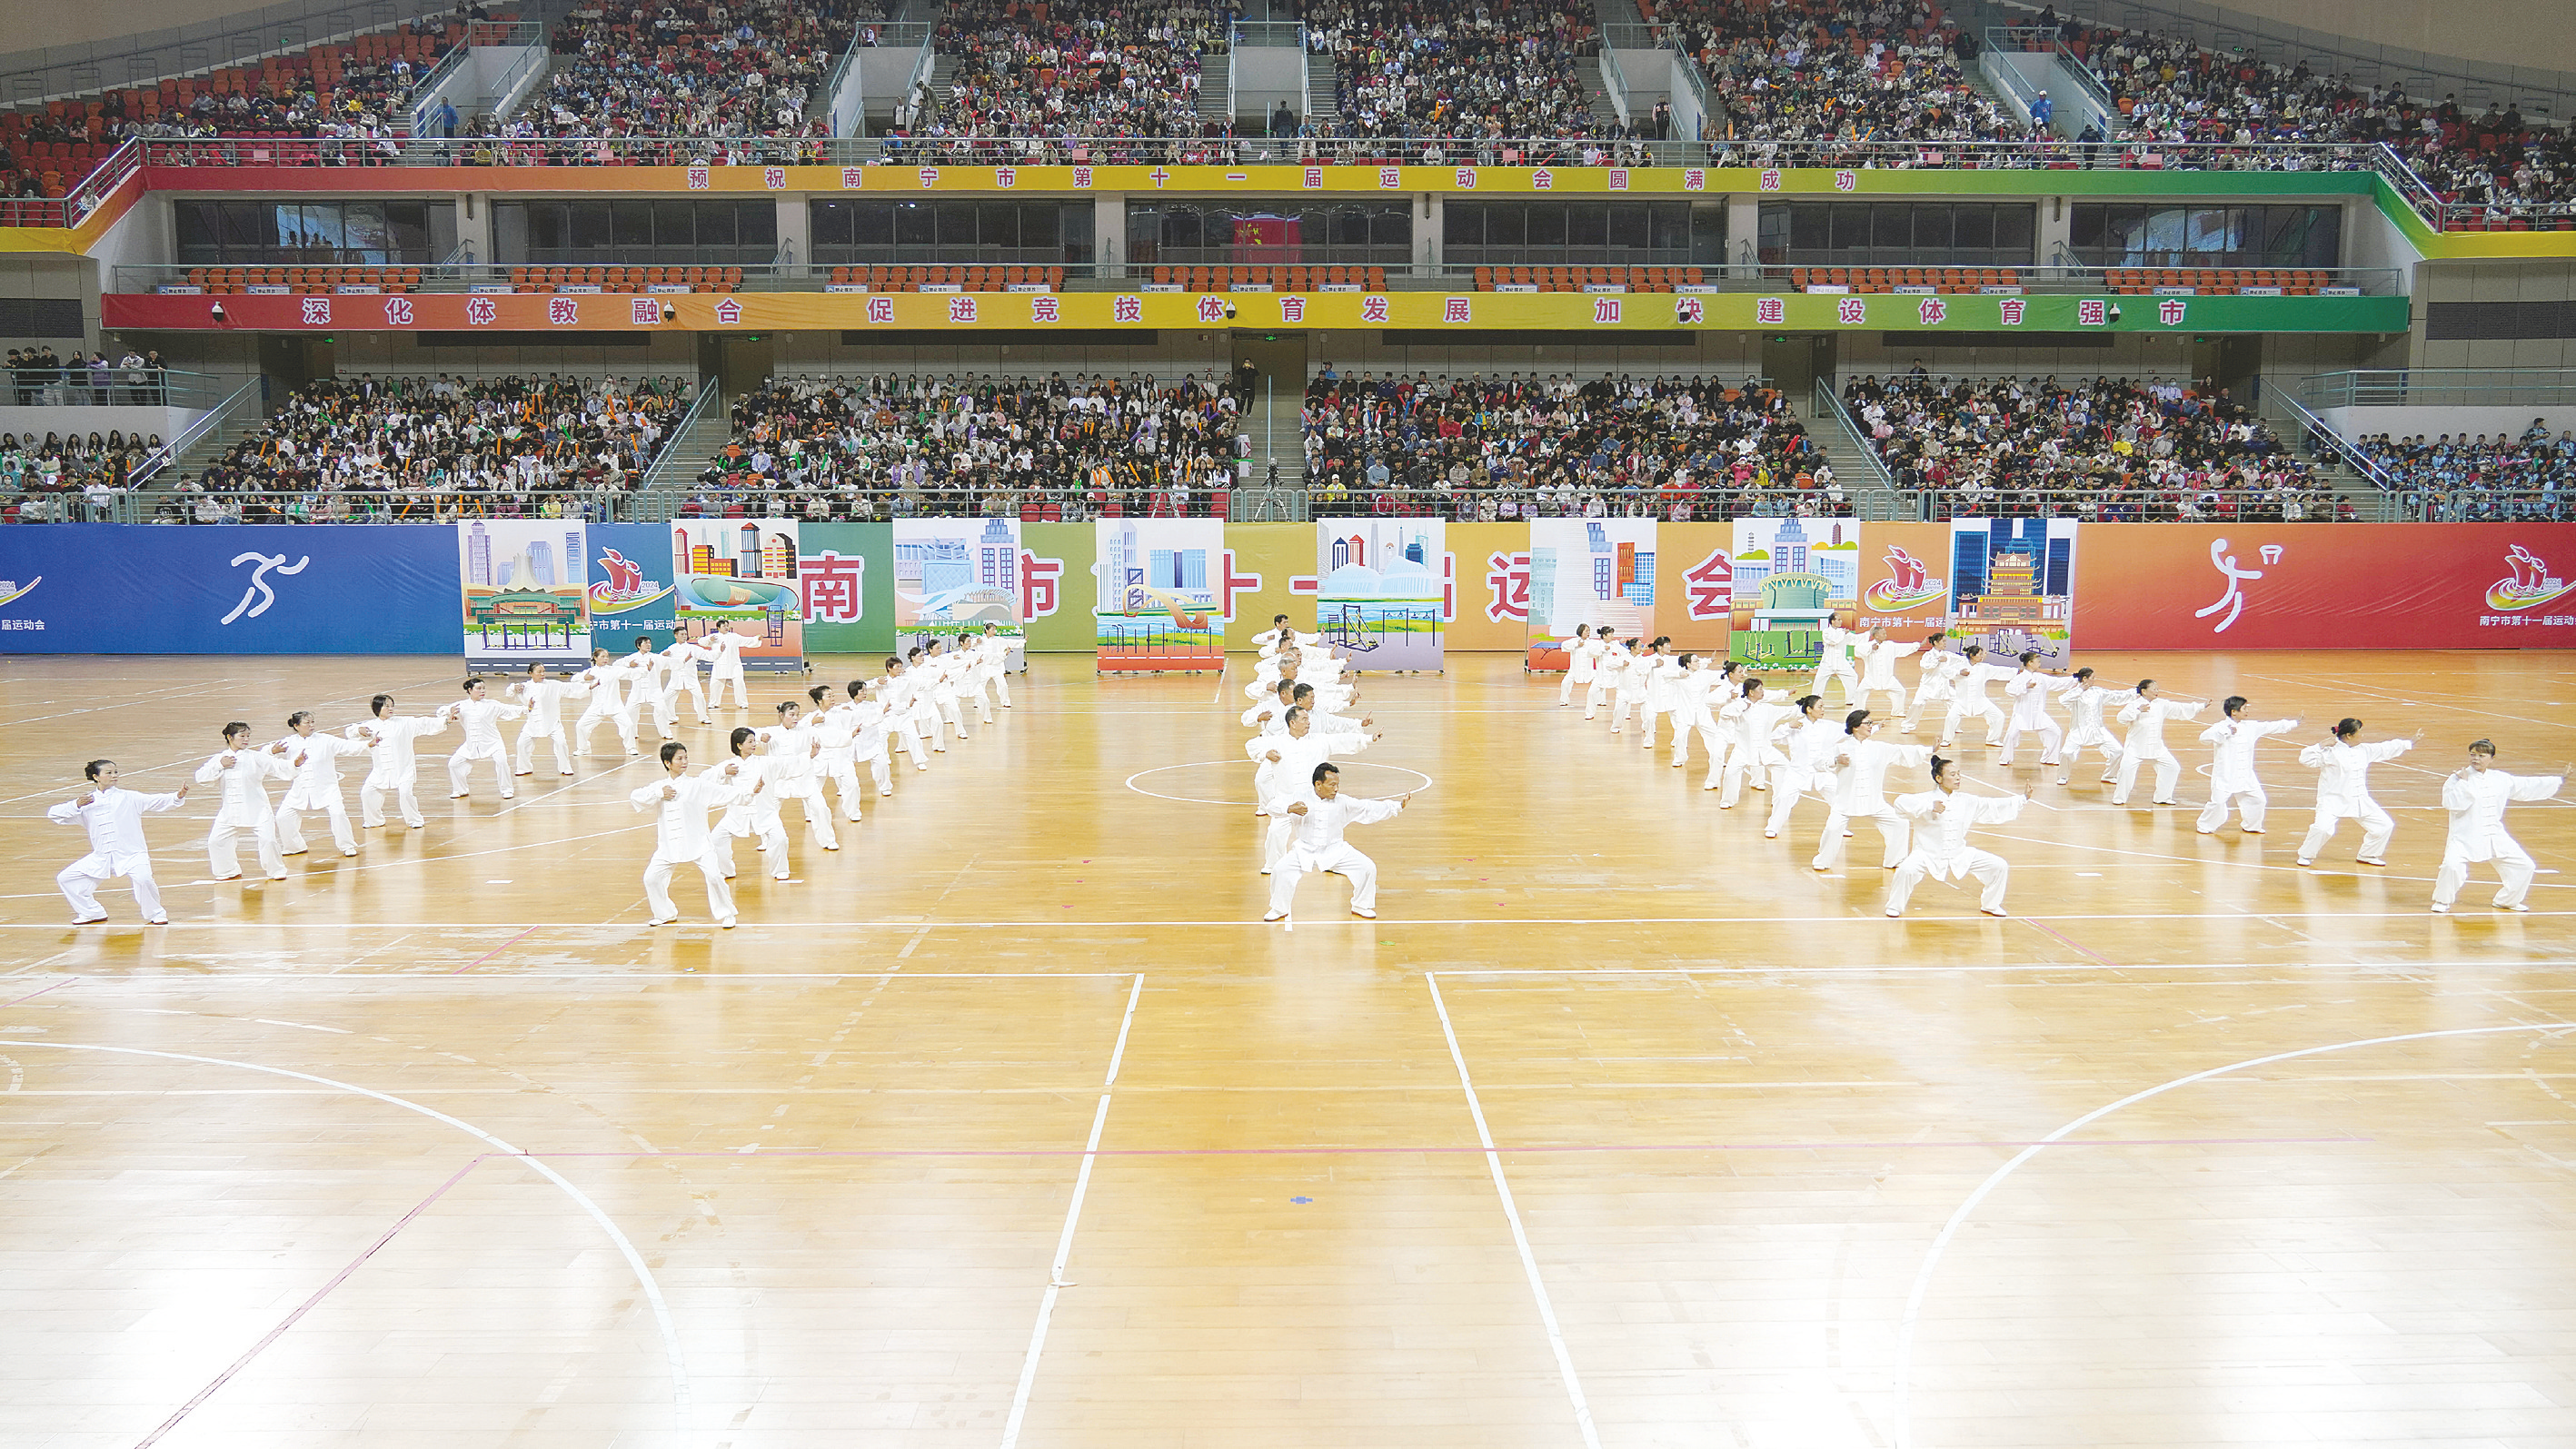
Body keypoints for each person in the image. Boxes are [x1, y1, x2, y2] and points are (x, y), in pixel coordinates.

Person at [1262, 761, 1411, 925]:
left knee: (1367, 868)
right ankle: (1278, 908)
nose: (1336, 789)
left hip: (1336, 850)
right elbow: (1272, 806)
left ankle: (1361, 905)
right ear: (1318, 784)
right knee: (1280, 870)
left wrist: (1398, 806)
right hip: (1303, 850)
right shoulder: (1299, 798)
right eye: (1332, 785)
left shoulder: (1343, 802)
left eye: (1338, 785)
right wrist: (1289, 809)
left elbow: (1367, 808)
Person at [629, 742, 753, 928]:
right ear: (667, 763)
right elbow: (636, 797)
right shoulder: (660, 787)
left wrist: (750, 792)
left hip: (699, 843)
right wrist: (658, 793)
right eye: (679, 758)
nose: (685, 761)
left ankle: (727, 914)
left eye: (686, 757)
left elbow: (725, 792)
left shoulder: (697, 785)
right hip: (669, 845)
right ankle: (665, 913)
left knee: (714, 876)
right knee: (651, 878)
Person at [2431, 740, 2564, 913]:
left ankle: (2507, 901)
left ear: (2492, 758)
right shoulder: (2457, 778)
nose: (2476, 759)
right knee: (2451, 866)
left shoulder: (2501, 778)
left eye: (2481, 755)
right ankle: (2442, 901)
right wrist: (2463, 783)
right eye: (2473, 754)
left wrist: (2558, 780)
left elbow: (2525, 786)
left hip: (2494, 834)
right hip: (2465, 835)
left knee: (2525, 865)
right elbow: (2451, 803)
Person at [1886, 755, 2028, 918]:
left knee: (1999, 866)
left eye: (1958, 773)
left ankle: (1991, 904)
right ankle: (1895, 906)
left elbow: (1992, 805)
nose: (1958, 777)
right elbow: (1900, 802)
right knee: (1906, 870)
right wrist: (1928, 806)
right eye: (1952, 774)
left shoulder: (1967, 800)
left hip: (1959, 854)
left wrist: (2022, 799)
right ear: (1939, 778)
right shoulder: (1925, 798)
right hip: (1926, 854)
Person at [51, 759, 187, 925]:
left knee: (144, 879)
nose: (114, 775)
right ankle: (92, 912)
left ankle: (155, 913)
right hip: (102, 857)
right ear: (96, 777)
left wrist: (177, 796)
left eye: (115, 772)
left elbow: (154, 800)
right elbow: (54, 814)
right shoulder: (86, 803)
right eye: (108, 773)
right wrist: (75, 805)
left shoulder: (129, 797)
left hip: (132, 854)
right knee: (66, 878)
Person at [1249, 707, 1381, 872]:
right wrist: (1264, 753)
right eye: (1304, 719)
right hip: (1286, 799)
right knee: (1276, 831)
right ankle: (1272, 865)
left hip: (1313, 798)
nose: (1308, 722)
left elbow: (1343, 740)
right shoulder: (1277, 742)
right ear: (1292, 723)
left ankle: (1332, 862)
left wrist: (1369, 738)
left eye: (1308, 719)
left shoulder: (1319, 740)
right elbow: (1251, 745)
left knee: (1328, 830)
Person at [1814, 710, 1934, 872]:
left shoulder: (1878, 748)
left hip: (1874, 802)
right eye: (1868, 723)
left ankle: (1895, 860)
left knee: (1900, 823)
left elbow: (1901, 751)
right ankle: (1822, 861)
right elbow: (1818, 762)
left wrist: (1929, 749)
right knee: (1833, 829)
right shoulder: (1841, 748)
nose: (1871, 726)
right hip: (1845, 802)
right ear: (1856, 727)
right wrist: (1835, 760)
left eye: (1871, 723)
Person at [2296, 719, 2419, 868]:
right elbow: (2306, 759)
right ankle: (2306, 855)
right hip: (2332, 800)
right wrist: (2320, 745)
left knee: (2384, 825)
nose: (2362, 736)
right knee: (2322, 828)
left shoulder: (2364, 750)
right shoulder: (2331, 752)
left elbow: (2384, 748)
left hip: (2359, 799)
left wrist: (2408, 743)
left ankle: (2367, 854)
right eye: (2360, 732)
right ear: (2349, 735)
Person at [194, 721, 293, 881]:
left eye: (248, 736)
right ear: (230, 737)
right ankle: (228, 871)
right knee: (216, 841)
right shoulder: (219, 758)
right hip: (229, 811)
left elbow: (278, 766)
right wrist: (220, 765)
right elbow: (201, 778)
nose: (246, 739)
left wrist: (295, 764)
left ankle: (276, 870)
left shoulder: (255, 757)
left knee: (268, 840)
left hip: (258, 809)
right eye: (242, 736)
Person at [2195, 696, 2301, 835]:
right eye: (2244, 708)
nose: (2247, 711)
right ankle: (2205, 825)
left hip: (2246, 774)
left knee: (2258, 800)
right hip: (2225, 774)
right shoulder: (2220, 726)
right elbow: (2204, 738)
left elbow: (2271, 726)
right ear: (2234, 711)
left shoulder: (2251, 727)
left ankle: (2252, 825)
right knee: (2218, 803)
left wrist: (2294, 723)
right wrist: (2225, 732)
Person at [274, 710, 367, 858]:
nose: (311, 725)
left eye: (312, 722)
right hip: (300, 789)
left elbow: (348, 747)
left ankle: (347, 845)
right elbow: (265, 756)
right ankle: (294, 846)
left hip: (327, 788)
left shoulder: (325, 740)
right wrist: (272, 750)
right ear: (297, 726)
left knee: (338, 813)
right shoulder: (288, 743)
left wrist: (369, 744)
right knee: (283, 817)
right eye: (307, 723)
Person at [349, 693, 445, 829]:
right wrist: (359, 730)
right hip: (380, 770)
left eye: (392, 706)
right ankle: (374, 820)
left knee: (405, 794)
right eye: (386, 706)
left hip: (403, 769)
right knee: (367, 792)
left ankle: (414, 820)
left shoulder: (404, 723)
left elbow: (424, 723)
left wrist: (445, 721)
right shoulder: (370, 726)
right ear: (378, 708)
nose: (390, 708)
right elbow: (350, 732)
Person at [714, 726, 793, 882]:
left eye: (754, 741)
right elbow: (708, 780)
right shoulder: (729, 765)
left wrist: (808, 757)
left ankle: (780, 870)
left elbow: (786, 764)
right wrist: (723, 772)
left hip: (764, 813)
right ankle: (726, 870)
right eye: (750, 741)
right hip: (736, 815)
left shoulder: (764, 762)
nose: (754, 744)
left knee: (780, 839)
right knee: (716, 838)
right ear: (739, 745)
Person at [2112, 680, 2206, 807]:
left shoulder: (2162, 704)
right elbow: (2121, 718)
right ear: (2144, 691)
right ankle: (2120, 797)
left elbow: (2179, 708)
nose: (2157, 691)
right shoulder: (2134, 704)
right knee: (2126, 770)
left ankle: (2163, 797)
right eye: (2154, 688)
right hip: (2135, 747)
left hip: (2157, 747)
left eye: (2157, 689)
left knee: (2172, 767)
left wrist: (2201, 706)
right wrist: (2138, 710)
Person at [1764, 693, 1840, 839]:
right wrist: (1787, 727)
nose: (1823, 709)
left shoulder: (1828, 726)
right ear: (1810, 709)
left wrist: (1873, 726)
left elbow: (1848, 730)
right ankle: (1773, 827)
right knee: (1784, 797)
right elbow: (1772, 738)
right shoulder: (1796, 725)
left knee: (1838, 797)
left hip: (1822, 771)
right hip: (1797, 772)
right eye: (1820, 706)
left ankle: (1839, 827)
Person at [1719, 678, 1798, 808]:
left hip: (1765, 749)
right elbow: (1724, 713)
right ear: (1751, 692)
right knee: (1730, 773)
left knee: (1783, 766)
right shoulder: (1739, 706)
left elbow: (1789, 711)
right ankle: (1727, 801)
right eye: (1760, 689)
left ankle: (1780, 800)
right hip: (1742, 750)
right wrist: (1744, 705)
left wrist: (1805, 705)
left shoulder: (1767, 708)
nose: (1763, 692)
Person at [443, 677, 527, 800]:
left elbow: (510, 709)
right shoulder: (461, 706)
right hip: (472, 744)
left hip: (493, 742)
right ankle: (460, 790)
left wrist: (527, 708)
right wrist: (449, 711)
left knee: (501, 762)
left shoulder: (492, 704)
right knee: (453, 764)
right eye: (478, 689)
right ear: (470, 690)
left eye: (483, 688)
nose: (482, 691)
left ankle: (507, 790)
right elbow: (442, 711)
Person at [2054, 668, 2124, 788]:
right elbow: (2063, 701)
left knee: (2118, 751)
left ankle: (2109, 775)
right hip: (2078, 730)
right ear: (2085, 679)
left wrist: (2135, 693)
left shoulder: (2098, 692)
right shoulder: (2074, 693)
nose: (2094, 680)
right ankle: (2063, 776)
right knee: (2066, 753)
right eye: (2092, 678)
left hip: (2098, 730)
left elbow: (2115, 696)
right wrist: (2080, 690)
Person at [1996, 651, 2068, 769]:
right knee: (2011, 735)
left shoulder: (2041, 677)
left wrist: (2076, 679)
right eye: (2037, 661)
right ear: (2030, 663)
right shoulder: (2020, 678)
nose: (2039, 663)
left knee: (2055, 732)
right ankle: (2005, 758)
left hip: (2038, 714)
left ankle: (2050, 758)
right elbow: (2009, 689)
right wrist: (2025, 687)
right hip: (2021, 714)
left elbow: (2058, 683)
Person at [1936, 643, 2016, 749]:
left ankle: (1992, 739)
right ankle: (1946, 740)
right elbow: (1944, 672)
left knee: (1998, 716)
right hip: (1961, 702)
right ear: (1972, 655)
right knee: (1950, 718)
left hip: (1981, 700)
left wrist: (2016, 671)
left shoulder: (1984, 668)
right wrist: (1959, 672)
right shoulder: (1960, 666)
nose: (1982, 656)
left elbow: (1999, 671)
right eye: (1980, 654)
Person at [508, 662, 580, 777]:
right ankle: (523, 767)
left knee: (561, 743)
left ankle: (565, 767)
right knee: (521, 743)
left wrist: (589, 687)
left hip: (552, 722)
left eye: (543, 671)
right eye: (539, 672)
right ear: (531, 673)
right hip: (532, 723)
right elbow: (509, 693)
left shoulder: (553, 685)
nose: (542, 674)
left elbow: (570, 688)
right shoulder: (524, 687)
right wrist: (513, 687)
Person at [572, 648, 640, 759]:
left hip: (615, 706)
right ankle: (583, 748)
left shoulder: (614, 670)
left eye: (607, 657)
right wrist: (585, 677)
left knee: (628, 725)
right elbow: (574, 679)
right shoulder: (591, 671)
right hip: (597, 707)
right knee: (581, 726)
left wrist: (646, 669)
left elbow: (630, 673)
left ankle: (631, 747)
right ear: (595, 658)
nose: (605, 659)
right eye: (602, 656)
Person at [1853, 629, 1919, 716]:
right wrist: (1870, 648)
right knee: (1860, 692)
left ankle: (1897, 711)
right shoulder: (1867, 645)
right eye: (1883, 633)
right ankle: (1857, 712)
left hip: (1888, 678)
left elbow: (1903, 647)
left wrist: (1917, 645)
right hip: (1870, 678)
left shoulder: (1890, 645)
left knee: (1900, 691)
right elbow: (1857, 651)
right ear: (1876, 635)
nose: (1885, 635)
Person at [1900, 631, 1956, 734]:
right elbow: (1924, 668)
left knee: (1955, 703)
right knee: (1917, 704)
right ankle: (1908, 725)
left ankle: (1954, 726)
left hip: (1943, 685)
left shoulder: (1947, 655)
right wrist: (1938, 660)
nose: (1945, 643)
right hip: (1928, 685)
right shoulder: (1928, 655)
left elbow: (1960, 660)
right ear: (1935, 642)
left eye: (1945, 641)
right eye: (1943, 641)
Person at [1810, 613, 1863, 707]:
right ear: (1832, 621)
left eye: (1840, 619)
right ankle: (1814, 701)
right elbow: (1834, 641)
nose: (1840, 621)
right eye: (1838, 619)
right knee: (1819, 680)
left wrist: (1868, 634)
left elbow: (1854, 640)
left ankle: (1851, 699)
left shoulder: (1842, 632)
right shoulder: (1826, 632)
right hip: (1828, 662)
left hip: (1841, 662)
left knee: (1852, 676)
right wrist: (1843, 633)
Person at [701, 623, 756, 710]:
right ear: (718, 628)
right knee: (715, 684)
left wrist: (756, 639)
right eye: (724, 626)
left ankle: (742, 703)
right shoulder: (714, 636)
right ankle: (713, 703)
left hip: (734, 664)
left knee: (739, 683)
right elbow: (701, 642)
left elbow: (746, 640)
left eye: (727, 625)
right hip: (719, 664)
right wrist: (709, 640)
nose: (726, 627)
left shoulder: (734, 636)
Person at [1558, 622, 1597, 708]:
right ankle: (1564, 700)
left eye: (1589, 631)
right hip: (1574, 670)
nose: (1588, 633)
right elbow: (1564, 645)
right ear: (1581, 631)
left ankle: (1600, 701)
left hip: (1589, 670)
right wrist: (1576, 645)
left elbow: (1603, 644)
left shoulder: (1592, 642)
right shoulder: (1573, 641)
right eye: (1586, 631)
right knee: (1565, 683)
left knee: (1599, 682)